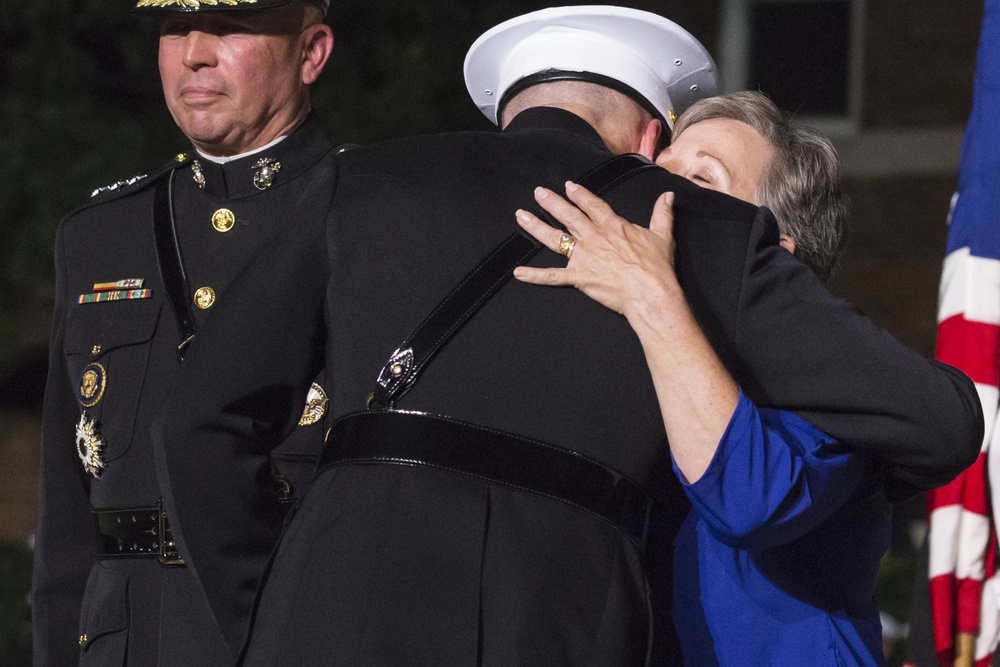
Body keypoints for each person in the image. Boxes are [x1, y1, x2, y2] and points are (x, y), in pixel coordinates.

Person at [152, 6, 981, 666]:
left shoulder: (351, 182)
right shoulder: (705, 234)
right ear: (649, 139)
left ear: (511, 108)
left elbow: (198, 419)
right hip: (570, 622)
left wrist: (266, 612)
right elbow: (944, 417)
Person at [514, 90, 886, 664]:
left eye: (702, 180)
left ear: (773, 256)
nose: (661, 196)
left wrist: (651, 296)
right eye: (661, 173)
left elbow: (750, 499)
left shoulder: (831, 377)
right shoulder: (626, 357)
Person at [31, 1, 335, 664]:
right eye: (174, 28)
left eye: (230, 27)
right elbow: (66, 522)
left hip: (295, 626)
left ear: (310, 53)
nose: (195, 52)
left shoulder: (371, 218)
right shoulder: (99, 237)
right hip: (130, 638)